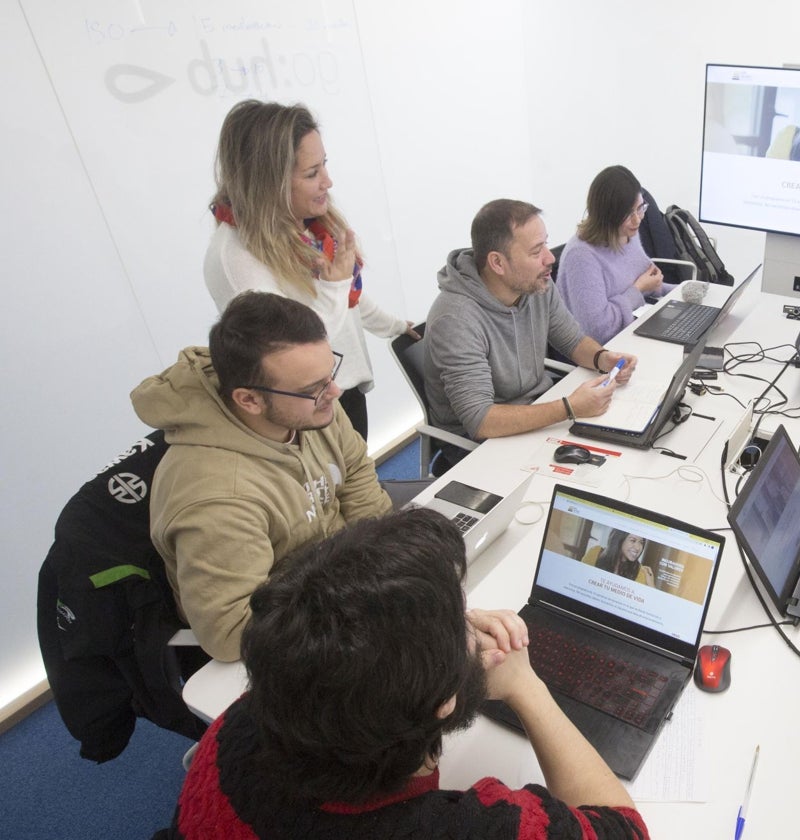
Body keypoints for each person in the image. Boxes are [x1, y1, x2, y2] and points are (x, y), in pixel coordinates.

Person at [167, 508, 648, 839]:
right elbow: (624, 829)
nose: (470, 622)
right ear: (442, 702)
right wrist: (526, 686)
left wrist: (425, 647)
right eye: (459, 620)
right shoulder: (454, 829)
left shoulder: (275, 698)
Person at [131, 292, 394, 662]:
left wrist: (392, 570)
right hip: (294, 639)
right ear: (249, 400)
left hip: (347, 593)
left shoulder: (314, 411)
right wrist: (357, 593)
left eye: (329, 373)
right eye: (312, 388)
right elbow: (233, 632)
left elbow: (360, 485)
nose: (334, 392)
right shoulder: (216, 496)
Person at [205, 99, 417, 441]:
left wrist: (393, 326)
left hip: (341, 390)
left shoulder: (304, 224)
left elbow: (348, 297)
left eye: (324, 166)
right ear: (268, 182)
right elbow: (290, 352)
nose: (328, 182)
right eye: (312, 173)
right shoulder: (235, 259)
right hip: (304, 412)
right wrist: (334, 288)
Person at [425, 199, 638, 444]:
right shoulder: (455, 319)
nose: (550, 258)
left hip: (537, 407)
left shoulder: (536, 284)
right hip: (482, 443)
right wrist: (569, 408)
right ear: (497, 263)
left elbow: (573, 341)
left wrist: (602, 358)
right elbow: (481, 419)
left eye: (545, 244)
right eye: (536, 252)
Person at [557, 165, 676, 344]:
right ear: (607, 215)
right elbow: (598, 331)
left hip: (630, 332)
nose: (637, 220)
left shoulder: (626, 235)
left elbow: (649, 284)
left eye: (640, 208)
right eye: (628, 214)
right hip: (600, 353)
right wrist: (638, 290)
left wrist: (686, 293)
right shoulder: (581, 257)